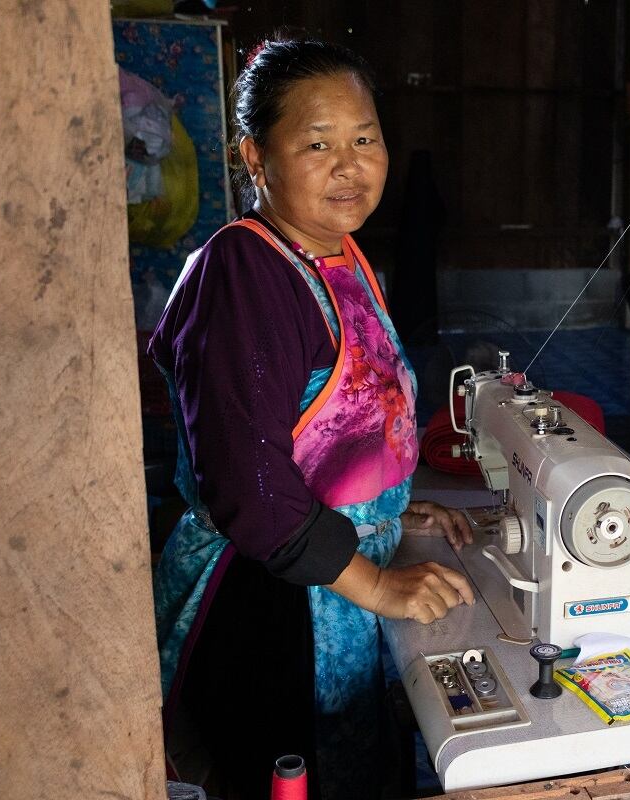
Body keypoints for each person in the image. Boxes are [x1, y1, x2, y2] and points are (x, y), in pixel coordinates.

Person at [149, 38, 475, 800]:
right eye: (318, 144)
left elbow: (333, 429)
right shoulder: (243, 272)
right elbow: (250, 485)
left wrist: (385, 507)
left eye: (365, 139)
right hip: (265, 601)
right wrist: (380, 585)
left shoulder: (341, 257)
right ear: (255, 157)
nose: (349, 166)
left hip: (331, 574)